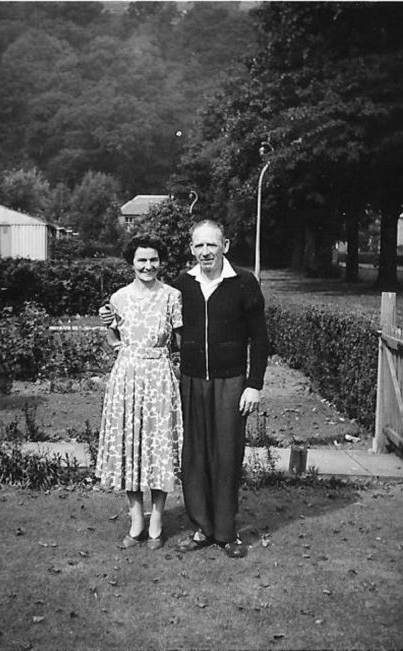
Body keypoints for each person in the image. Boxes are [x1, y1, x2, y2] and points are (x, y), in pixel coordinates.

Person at [174, 219, 268, 559]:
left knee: (227, 455)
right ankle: (202, 528)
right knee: (195, 455)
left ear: (225, 245)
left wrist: (253, 384)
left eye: (211, 245)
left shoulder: (243, 283)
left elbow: (260, 338)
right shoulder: (183, 284)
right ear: (191, 249)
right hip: (192, 380)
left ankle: (227, 533)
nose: (205, 252)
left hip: (231, 382)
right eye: (198, 246)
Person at [96, 233, 183, 551]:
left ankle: (157, 520)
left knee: (159, 450)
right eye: (141, 260)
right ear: (131, 263)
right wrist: (110, 328)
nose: (148, 265)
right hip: (127, 378)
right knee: (129, 449)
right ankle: (136, 521)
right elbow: (113, 339)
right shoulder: (118, 299)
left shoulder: (172, 296)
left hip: (159, 378)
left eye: (153, 259)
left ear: (160, 262)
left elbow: (179, 340)